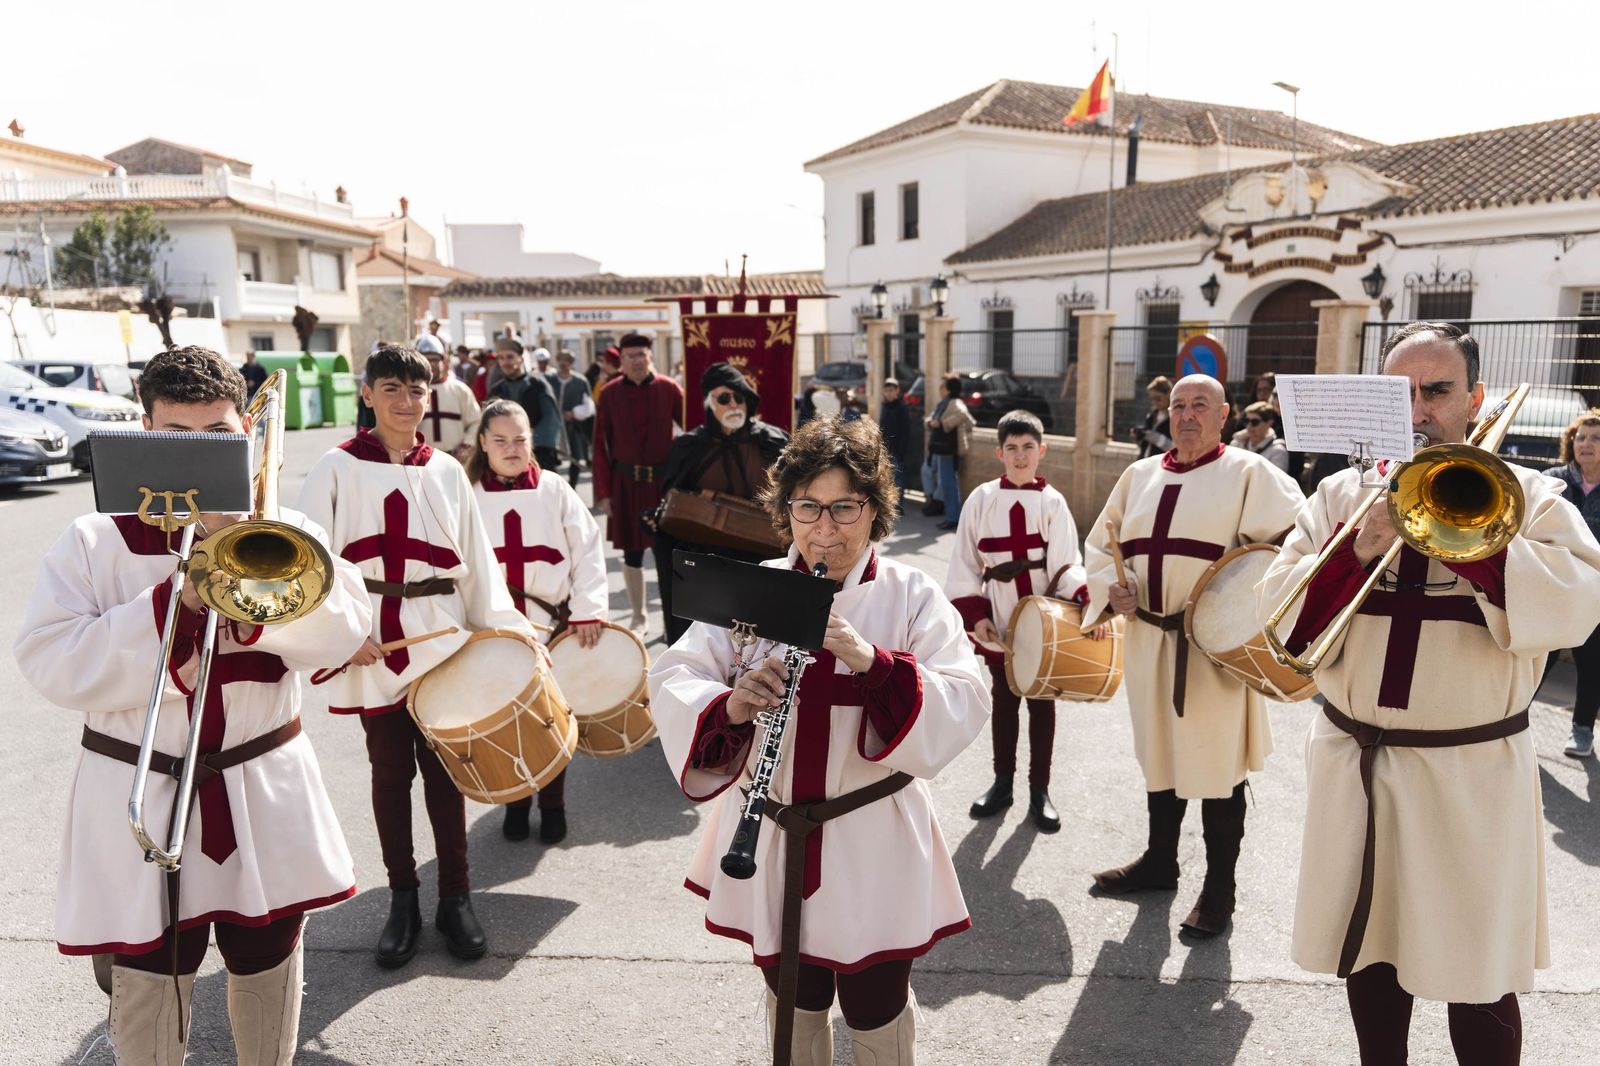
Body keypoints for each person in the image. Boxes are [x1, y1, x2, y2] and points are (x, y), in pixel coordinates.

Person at [14, 345, 372, 1064]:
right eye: (176, 437)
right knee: (149, 970)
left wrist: (239, 551)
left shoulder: (289, 531)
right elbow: (49, 660)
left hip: (261, 784)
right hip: (140, 787)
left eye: (217, 437)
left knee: (269, 953)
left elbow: (345, 631)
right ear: (144, 432)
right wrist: (169, 603)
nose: (199, 455)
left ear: (246, 432)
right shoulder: (92, 540)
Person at [1260, 322, 1600, 1066]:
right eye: (1400, 393)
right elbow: (1285, 623)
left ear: (1475, 399)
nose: (1417, 411)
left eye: (1437, 392)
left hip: (1469, 773)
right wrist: (1358, 544)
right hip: (1359, 762)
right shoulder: (1340, 495)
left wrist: (1471, 538)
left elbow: (1578, 604)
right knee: (1372, 952)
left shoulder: (1530, 497)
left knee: (1477, 970)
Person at [648, 415, 989, 1066]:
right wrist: (732, 705)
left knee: (876, 1012)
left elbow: (966, 698)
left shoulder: (913, 594)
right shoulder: (754, 588)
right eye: (807, 507)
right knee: (795, 1009)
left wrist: (872, 660)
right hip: (773, 836)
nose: (824, 529)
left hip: (873, 840)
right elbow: (673, 675)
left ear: (876, 509)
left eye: (844, 508)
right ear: (785, 509)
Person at [297, 343, 533, 969]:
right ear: (368, 394)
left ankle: (456, 897)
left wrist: (503, 628)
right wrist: (343, 633)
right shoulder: (336, 467)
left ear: (432, 396)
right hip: (375, 639)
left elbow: (477, 560)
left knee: (447, 773)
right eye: (392, 389)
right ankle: (403, 897)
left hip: (440, 637)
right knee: (389, 773)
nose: (406, 402)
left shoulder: (448, 471)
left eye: (417, 390)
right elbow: (308, 565)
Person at [1082, 373, 1304, 938]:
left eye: (1199, 405)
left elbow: (1291, 546)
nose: (1186, 415)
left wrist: (1239, 611)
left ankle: (1220, 891)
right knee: (1160, 754)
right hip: (1150, 639)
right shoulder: (1139, 475)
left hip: (1211, 651)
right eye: (1178, 405)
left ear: (1224, 413)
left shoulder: (1251, 474)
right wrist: (1115, 587)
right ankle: (1161, 861)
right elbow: (1100, 545)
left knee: (1216, 768)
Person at [467, 398, 607, 843]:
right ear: (483, 443)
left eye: (520, 439)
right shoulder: (467, 495)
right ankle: (515, 801)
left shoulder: (554, 489)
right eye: (500, 440)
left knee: (550, 719)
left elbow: (587, 550)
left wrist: (587, 609)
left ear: (532, 442)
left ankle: (552, 805)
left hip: (552, 625)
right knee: (504, 720)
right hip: (496, 629)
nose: (511, 448)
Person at [945, 409, 1090, 834]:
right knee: (1004, 702)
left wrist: (1083, 596)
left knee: (1042, 704)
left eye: (1029, 448)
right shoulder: (982, 499)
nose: (1021, 456)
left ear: (1041, 451)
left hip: (1045, 624)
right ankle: (1002, 782)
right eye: (1012, 448)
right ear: (999, 452)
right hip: (1000, 619)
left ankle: (1039, 790)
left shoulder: (1053, 502)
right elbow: (964, 563)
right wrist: (977, 616)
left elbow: (1066, 563)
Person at [653, 362, 789, 644]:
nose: (733, 405)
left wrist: (781, 502)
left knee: (761, 642)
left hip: (762, 557)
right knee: (707, 643)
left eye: (739, 397)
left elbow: (800, 491)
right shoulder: (690, 446)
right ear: (708, 404)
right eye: (724, 399)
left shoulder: (773, 442)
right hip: (707, 558)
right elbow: (673, 501)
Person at [592, 332, 685, 634]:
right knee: (631, 552)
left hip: (664, 485)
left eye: (641, 355)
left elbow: (694, 430)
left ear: (650, 357)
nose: (636, 361)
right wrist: (603, 493)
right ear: (621, 360)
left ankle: (676, 619)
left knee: (669, 551)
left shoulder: (670, 389)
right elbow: (600, 445)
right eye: (629, 356)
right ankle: (639, 615)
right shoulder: (609, 393)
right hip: (626, 483)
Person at [1543, 409, 1600, 757]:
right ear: (1570, 443)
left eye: (1595, 438)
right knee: (1538, 655)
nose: (1586, 444)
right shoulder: (1553, 480)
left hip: (1594, 593)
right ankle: (1512, 719)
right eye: (1581, 437)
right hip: (1553, 586)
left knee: (1592, 663)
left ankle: (1582, 730)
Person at [490, 342, 564, 470]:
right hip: (505, 457)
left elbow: (550, 418)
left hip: (539, 454)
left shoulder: (538, 385)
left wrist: (526, 440)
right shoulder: (496, 390)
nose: (505, 362)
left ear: (521, 359)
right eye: (501, 358)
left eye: (510, 357)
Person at [416, 334, 481, 460]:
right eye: (425, 359)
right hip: (421, 460)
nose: (430, 364)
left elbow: (476, 422)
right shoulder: (411, 392)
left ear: (444, 361)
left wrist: (467, 446)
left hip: (456, 459)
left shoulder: (460, 390)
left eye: (435, 360)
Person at [925, 373, 976, 530]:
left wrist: (943, 423)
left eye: (942, 386)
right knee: (945, 482)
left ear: (948, 389)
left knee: (949, 484)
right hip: (942, 448)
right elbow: (930, 419)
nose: (939, 389)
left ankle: (953, 517)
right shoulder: (944, 403)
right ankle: (951, 515)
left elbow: (965, 417)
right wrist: (933, 423)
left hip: (948, 449)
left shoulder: (954, 403)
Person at [552, 350, 595, 487]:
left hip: (573, 426)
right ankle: (553, 488)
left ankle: (572, 487)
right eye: (561, 359)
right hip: (553, 426)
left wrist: (573, 413)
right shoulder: (549, 379)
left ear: (571, 363)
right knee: (551, 458)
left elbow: (589, 406)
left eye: (567, 360)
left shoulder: (580, 381)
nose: (563, 363)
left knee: (575, 457)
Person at [1230, 400, 1291, 472]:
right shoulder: (1236, 444)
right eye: (1246, 421)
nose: (1249, 426)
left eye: (1255, 422)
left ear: (1269, 423)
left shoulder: (1278, 452)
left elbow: (1275, 481)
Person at [878, 377, 912, 495]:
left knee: (898, 482)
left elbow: (905, 432)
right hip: (886, 450)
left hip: (897, 451)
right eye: (886, 390)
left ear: (897, 391)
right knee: (886, 481)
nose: (889, 393)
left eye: (891, 390)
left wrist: (901, 453)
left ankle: (899, 508)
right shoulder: (885, 407)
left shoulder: (902, 408)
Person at [1133, 376, 1173, 459]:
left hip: (1162, 466)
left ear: (1168, 394)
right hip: (1145, 463)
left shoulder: (1175, 418)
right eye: (1152, 399)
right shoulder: (1152, 415)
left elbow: (1174, 448)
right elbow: (1145, 445)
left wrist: (1151, 435)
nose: (1155, 402)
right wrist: (1139, 436)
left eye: (1158, 398)